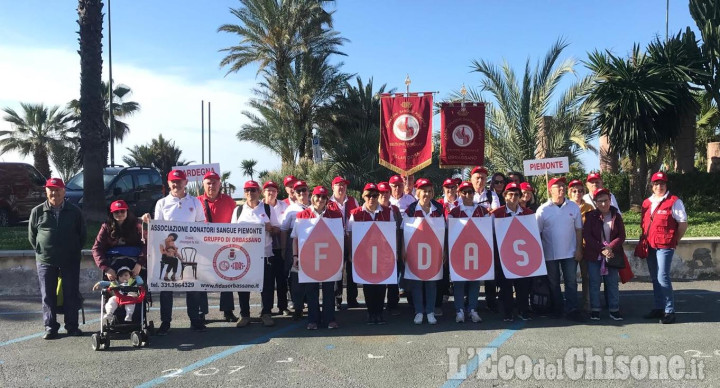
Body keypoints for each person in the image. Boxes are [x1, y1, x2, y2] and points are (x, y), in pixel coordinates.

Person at [142, 169, 206, 334]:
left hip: (191, 248)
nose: (176, 184)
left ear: (186, 182)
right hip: (169, 252)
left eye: (179, 181)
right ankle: (165, 322)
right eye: (173, 181)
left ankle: (195, 319)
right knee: (166, 286)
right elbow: (158, 230)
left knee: (193, 286)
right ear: (168, 184)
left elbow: (202, 225)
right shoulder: (162, 203)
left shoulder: (195, 202)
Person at [29, 177, 87, 339]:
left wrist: (72, 250)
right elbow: (32, 237)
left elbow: (82, 236)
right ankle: (50, 327)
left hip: (70, 260)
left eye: (57, 189)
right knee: (48, 295)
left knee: (71, 293)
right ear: (46, 191)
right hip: (46, 260)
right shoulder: (37, 212)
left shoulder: (75, 211)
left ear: (64, 191)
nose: (54, 193)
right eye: (51, 190)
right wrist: (44, 250)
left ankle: (72, 326)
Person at [291, 186, 343, 330]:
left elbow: (340, 238)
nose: (320, 199)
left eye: (323, 197)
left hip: (328, 258)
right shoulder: (302, 215)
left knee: (328, 290)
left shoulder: (334, 215)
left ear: (327, 200)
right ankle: (313, 320)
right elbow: (295, 238)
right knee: (311, 290)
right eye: (317, 196)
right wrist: (295, 256)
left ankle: (329, 319)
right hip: (309, 258)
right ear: (312, 197)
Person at [231, 180, 281, 328]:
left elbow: (278, 230)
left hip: (264, 254)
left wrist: (270, 228)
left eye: (253, 190)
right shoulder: (238, 211)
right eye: (247, 190)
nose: (250, 193)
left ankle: (266, 313)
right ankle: (245, 315)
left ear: (259, 192)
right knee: (243, 285)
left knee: (266, 286)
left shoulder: (267, 209)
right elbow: (232, 233)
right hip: (244, 254)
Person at [641, 171, 688, 324]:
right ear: (652, 186)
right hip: (650, 244)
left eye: (662, 183)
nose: (659, 186)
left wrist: (675, 240)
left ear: (666, 185)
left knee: (663, 277)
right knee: (655, 278)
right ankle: (659, 307)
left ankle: (669, 310)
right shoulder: (647, 203)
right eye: (656, 184)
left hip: (665, 245)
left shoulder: (674, 201)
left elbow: (683, 224)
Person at [536, 177, 584, 322]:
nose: (562, 189)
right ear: (551, 190)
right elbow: (537, 234)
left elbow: (578, 230)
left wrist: (579, 249)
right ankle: (557, 308)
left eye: (563, 186)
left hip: (570, 252)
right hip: (550, 254)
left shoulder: (573, 207)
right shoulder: (542, 210)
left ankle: (572, 309)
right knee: (554, 282)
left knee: (571, 281)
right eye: (558, 187)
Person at [348, 183, 396, 325]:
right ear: (363, 196)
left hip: (382, 254)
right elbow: (350, 235)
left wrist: (395, 252)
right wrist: (351, 253)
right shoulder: (355, 213)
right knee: (368, 284)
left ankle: (379, 312)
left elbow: (393, 233)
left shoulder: (387, 212)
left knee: (381, 284)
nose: (372, 198)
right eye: (369, 195)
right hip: (364, 255)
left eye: (375, 195)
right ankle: (370, 312)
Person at [197, 171, 239, 322]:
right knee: (201, 279)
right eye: (208, 182)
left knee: (226, 278)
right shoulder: (196, 202)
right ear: (203, 184)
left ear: (220, 184)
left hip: (224, 246)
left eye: (214, 182)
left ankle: (228, 311)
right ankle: (201, 312)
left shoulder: (229, 201)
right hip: (203, 247)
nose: (211, 186)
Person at [491, 182, 536, 322]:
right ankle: (508, 312)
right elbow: (491, 234)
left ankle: (523, 310)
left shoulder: (528, 214)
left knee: (523, 285)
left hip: (522, 257)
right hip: (504, 256)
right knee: (506, 286)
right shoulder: (497, 214)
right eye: (510, 194)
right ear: (505, 196)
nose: (514, 197)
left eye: (516, 194)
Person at [405, 178, 445, 325]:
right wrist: (404, 249)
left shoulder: (439, 209)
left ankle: (430, 311)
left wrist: (444, 250)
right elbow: (403, 231)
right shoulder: (410, 209)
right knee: (417, 282)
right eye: (423, 191)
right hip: (415, 250)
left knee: (431, 282)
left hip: (434, 251)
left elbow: (443, 231)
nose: (426, 194)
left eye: (429, 191)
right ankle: (419, 311)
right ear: (417, 192)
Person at [448, 181, 488, 323]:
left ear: (474, 193)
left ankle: (472, 309)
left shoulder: (482, 211)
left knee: (475, 281)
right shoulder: (454, 212)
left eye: (470, 192)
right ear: (459, 194)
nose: (467, 195)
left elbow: (487, 232)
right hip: (459, 252)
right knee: (459, 282)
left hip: (477, 251)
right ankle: (459, 310)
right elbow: (450, 232)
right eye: (464, 192)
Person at [583, 188, 625, 321]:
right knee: (595, 283)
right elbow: (587, 235)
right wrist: (602, 248)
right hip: (594, 254)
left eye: (605, 200)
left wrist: (610, 247)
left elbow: (622, 235)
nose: (603, 204)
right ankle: (595, 310)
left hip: (612, 255)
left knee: (612, 283)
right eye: (600, 201)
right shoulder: (590, 216)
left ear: (610, 200)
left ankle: (614, 309)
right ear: (595, 202)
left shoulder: (616, 215)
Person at [327, 176, 360, 309]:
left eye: (344, 185)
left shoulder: (353, 201)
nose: (341, 187)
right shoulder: (328, 203)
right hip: (335, 242)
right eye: (338, 185)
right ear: (332, 187)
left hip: (351, 240)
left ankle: (352, 299)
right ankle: (337, 299)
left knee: (352, 270)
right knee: (337, 270)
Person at [92, 199, 146, 281]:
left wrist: (140, 264)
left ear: (127, 211)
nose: (120, 214)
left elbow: (147, 245)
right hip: (113, 263)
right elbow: (97, 248)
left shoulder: (137, 225)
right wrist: (106, 268)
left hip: (135, 262)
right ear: (112, 213)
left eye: (122, 211)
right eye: (116, 212)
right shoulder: (106, 227)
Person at [470, 166, 499, 311]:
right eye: (477, 178)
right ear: (471, 179)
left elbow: (495, 212)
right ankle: (469, 301)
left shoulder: (491, 195)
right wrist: (485, 211)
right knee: (470, 268)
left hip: (488, 237)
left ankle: (491, 300)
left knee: (490, 270)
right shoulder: (466, 193)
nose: (480, 180)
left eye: (482, 178)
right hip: (470, 238)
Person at [280, 180, 311, 320]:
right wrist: (284, 249)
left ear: (308, 190)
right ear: (295, 194)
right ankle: (298, 307)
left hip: (313, 246)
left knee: (312, 277)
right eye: (299, 191)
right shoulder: (290, 209)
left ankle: (312, 305)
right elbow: (284, 230)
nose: (302, 193)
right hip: (296, 245)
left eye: (304, 190)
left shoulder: (316, 205)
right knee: (296, 278)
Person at [263, 180, 290, 316]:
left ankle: (283, 306)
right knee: (266, 281)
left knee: (281, 279)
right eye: (268, 190)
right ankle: (266, 309)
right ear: (264, 192)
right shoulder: (260, 206)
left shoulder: (284, 205)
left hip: (280, 247)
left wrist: (275, 229)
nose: (271, 192)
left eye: (273, 190)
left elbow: (285, 226)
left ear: (277, 192)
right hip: (264, 250)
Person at [568, 179, 595, 314]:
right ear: (569, 193)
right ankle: (571, 304)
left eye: (580, 191)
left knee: (587, 276)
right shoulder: (565, 207)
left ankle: (587, 303)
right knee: (571, 278)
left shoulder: (590, 208)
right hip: (569, 248)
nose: (577, 193)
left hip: (586, 247)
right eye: (574, 191)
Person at [378, 181, 403, 316]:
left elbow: (399, 230)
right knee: (381, 279)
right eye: (381, 192)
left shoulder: (395, 210)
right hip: (379, 251)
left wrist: (398, 249)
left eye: (386, 192)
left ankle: (393, 304)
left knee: (393, 279)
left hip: (393, 249)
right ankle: (379, 305)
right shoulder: (373, 209)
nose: (384, 195)